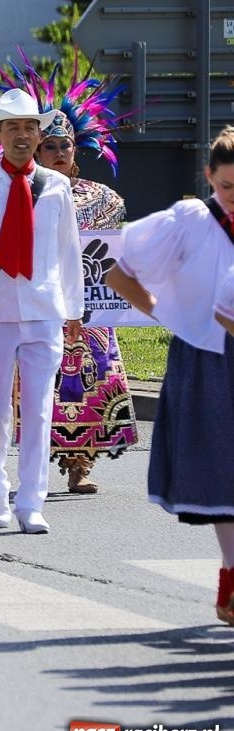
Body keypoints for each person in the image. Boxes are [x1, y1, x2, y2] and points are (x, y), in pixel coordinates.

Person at [105, 128, 234, 626]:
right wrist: (168, 313)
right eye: (226, 186)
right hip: (206, 357)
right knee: (219, 468)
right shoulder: (190, 221)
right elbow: (120, 274)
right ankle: (230, 570)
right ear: (209, 176)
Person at [0, 88, 84, 534]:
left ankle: (32, 502)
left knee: (40, 411)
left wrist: (75, 311)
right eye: (13, 128)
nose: (22, 135)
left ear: (39, 134)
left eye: (29, 127)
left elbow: (68, 252)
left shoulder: (57, 187)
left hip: (45, 310)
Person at [15, 66, 135, 495]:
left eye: (64, 144)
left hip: (92, 308)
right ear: (37, 150)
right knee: (45, 382)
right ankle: (39, 468)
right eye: (49, 146)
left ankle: (81, 464)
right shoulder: (24, 193)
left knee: (91, 376)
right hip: (44, 302)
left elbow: (116, 253)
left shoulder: (104, 198)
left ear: (75, 148)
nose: (58, 152)